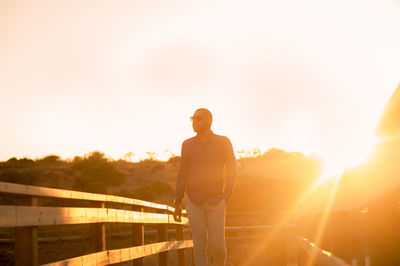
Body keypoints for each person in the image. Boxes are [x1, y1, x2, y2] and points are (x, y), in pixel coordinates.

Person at [173, 108, 237, 266]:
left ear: (209, 121)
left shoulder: (223, 142)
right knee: (199, 248)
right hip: (193, 200)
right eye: (193, 118)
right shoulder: (187, 144)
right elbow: (183, 173)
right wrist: (177, 202)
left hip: (217, 199)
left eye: (199, 118)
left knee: (218, 248)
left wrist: (226, 197)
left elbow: (232, 171)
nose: (194, 121)